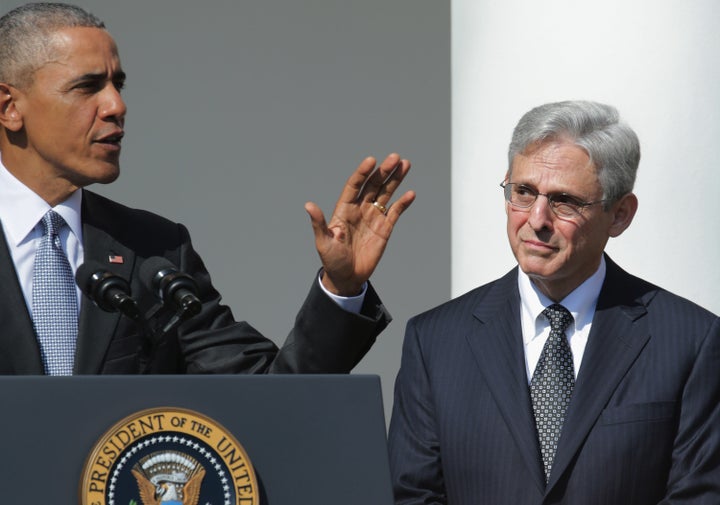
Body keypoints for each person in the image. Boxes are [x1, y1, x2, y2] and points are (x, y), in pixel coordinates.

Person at [0, 3, 415, 375]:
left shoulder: (153, 249)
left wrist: (340, 288)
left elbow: (268, 396)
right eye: (87, 86)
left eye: (117, 85)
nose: (116, 106)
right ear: (9, 108)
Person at [388, 100, 720, 504]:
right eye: (523, 192)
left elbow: (698, 495)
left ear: (619, 215)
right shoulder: (435, 341)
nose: (537, 219)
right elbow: (413, 494)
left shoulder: (691, 340)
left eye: (564, 201)